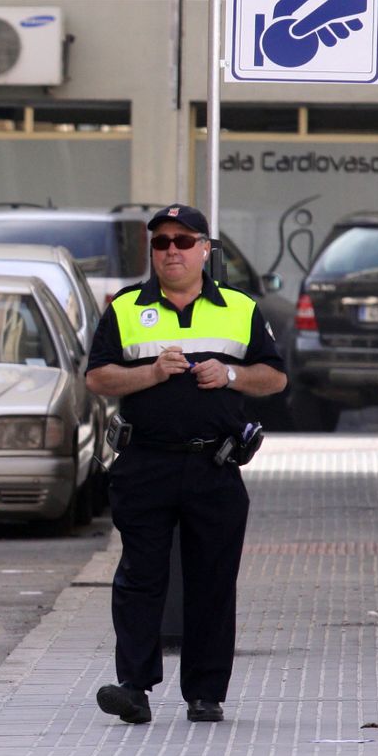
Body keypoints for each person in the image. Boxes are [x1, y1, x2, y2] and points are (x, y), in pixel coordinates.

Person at [84, 205, 287, 724]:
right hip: (145, 463)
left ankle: (205, 694)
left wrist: (233, 376)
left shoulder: (239, 307)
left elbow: (275, 378)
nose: (170, 250)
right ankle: (134, 687)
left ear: (204, 249)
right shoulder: (126, 307)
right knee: (140, 576)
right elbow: (98, 378)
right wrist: (151, 373)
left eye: (181, 240)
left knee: (212, 580)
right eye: (160, 242)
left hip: (214, 465)